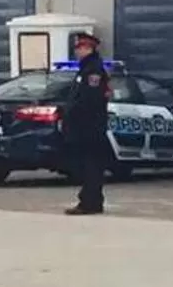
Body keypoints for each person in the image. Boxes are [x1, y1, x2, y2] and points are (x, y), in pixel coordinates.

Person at [63, 33, 110, 216]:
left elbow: (90, 99)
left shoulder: (93, 71)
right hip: (86, 127)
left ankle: (90, 202)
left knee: (92, 166)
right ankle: (91, 200)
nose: (77, 51)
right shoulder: (85, 69)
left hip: (91, 127)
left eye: (80, 48)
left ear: (88, 48)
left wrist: (76, 116)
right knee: (89, 165)